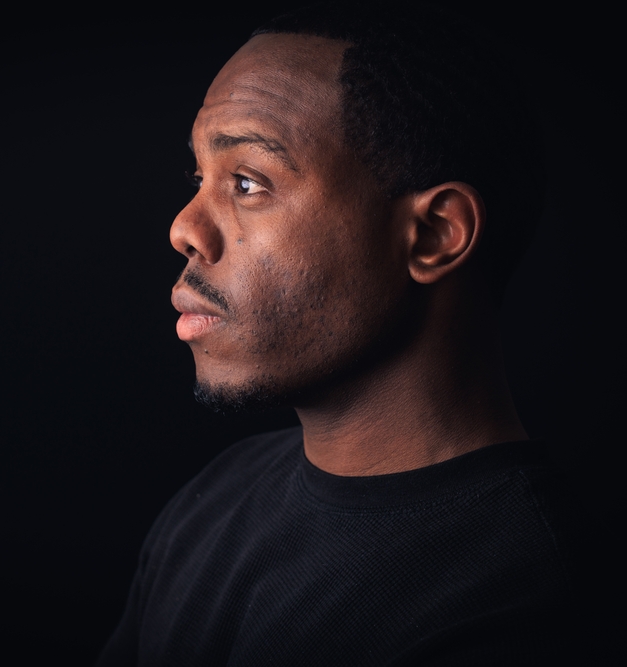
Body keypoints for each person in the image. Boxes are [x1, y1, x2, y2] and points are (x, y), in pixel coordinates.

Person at [98, 4, 580, 665]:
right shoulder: (219, 498)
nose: (184, 227)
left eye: (246, 181)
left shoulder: (527, 602)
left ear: (435, 234)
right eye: (199, 179)